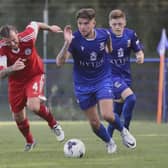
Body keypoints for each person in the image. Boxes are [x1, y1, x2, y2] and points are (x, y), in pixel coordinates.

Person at [56, 8, 136, 154]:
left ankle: (124, 131)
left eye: (86, 23)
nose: (82, 27)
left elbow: (109, 48)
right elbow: (59, 62)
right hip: (82, 85)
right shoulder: (74, 40)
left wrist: (106, 59)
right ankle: (109, 142)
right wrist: (66, 43)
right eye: (79, 23)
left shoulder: (104, 34)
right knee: (94, 122)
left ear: (94, 23)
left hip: (102, 79)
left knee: (107, 115)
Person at [0, 21, 65, 151]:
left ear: (17, 34)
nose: (12, 44)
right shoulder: (1, 49)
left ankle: (54, 124)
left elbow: (36, 24)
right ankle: (30, 141)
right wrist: (12, 68)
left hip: (34, 74)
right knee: (17, 117)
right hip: (16, 83)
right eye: (8, 42)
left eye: (13, 40)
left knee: (33, 106)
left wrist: (50, 28)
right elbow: (1, 74)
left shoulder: (28, 36)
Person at [106, 9, 144, 143]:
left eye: (120, 24)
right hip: (111, 77)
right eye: (115, 24)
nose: (117, 26)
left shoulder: (130, 34)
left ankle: (108, 140)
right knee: (131, 98)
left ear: (124, 23)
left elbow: (139, 51)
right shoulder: (105, 37)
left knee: (116, 113)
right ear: (110, 23)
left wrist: (140, 57)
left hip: (126, 77)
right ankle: (125, 131)